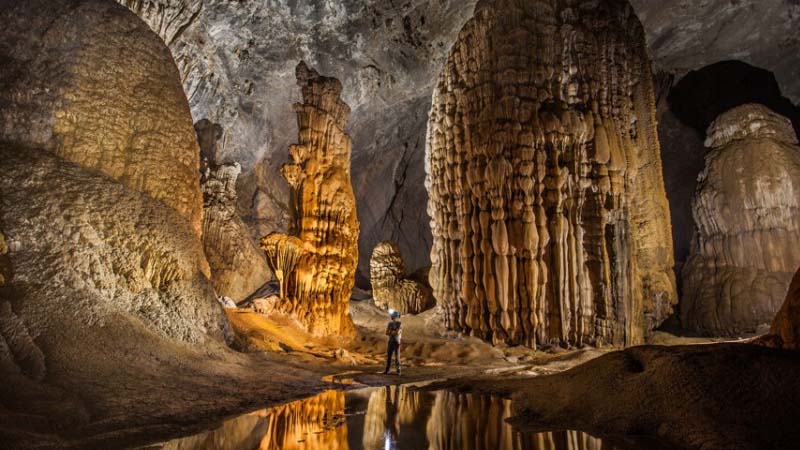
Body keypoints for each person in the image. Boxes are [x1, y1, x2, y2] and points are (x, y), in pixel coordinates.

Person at [382, 310, 402, 375]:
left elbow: (397, 332)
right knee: (389, 357)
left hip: (396, 342)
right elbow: (387, 332)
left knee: (397, 357)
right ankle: (387, 370)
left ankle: (398, 370)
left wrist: (391, 331)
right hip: (391, 341)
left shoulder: (399, 323)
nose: (392, 317)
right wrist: (392, 332)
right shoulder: (390, 324)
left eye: (393, 316)